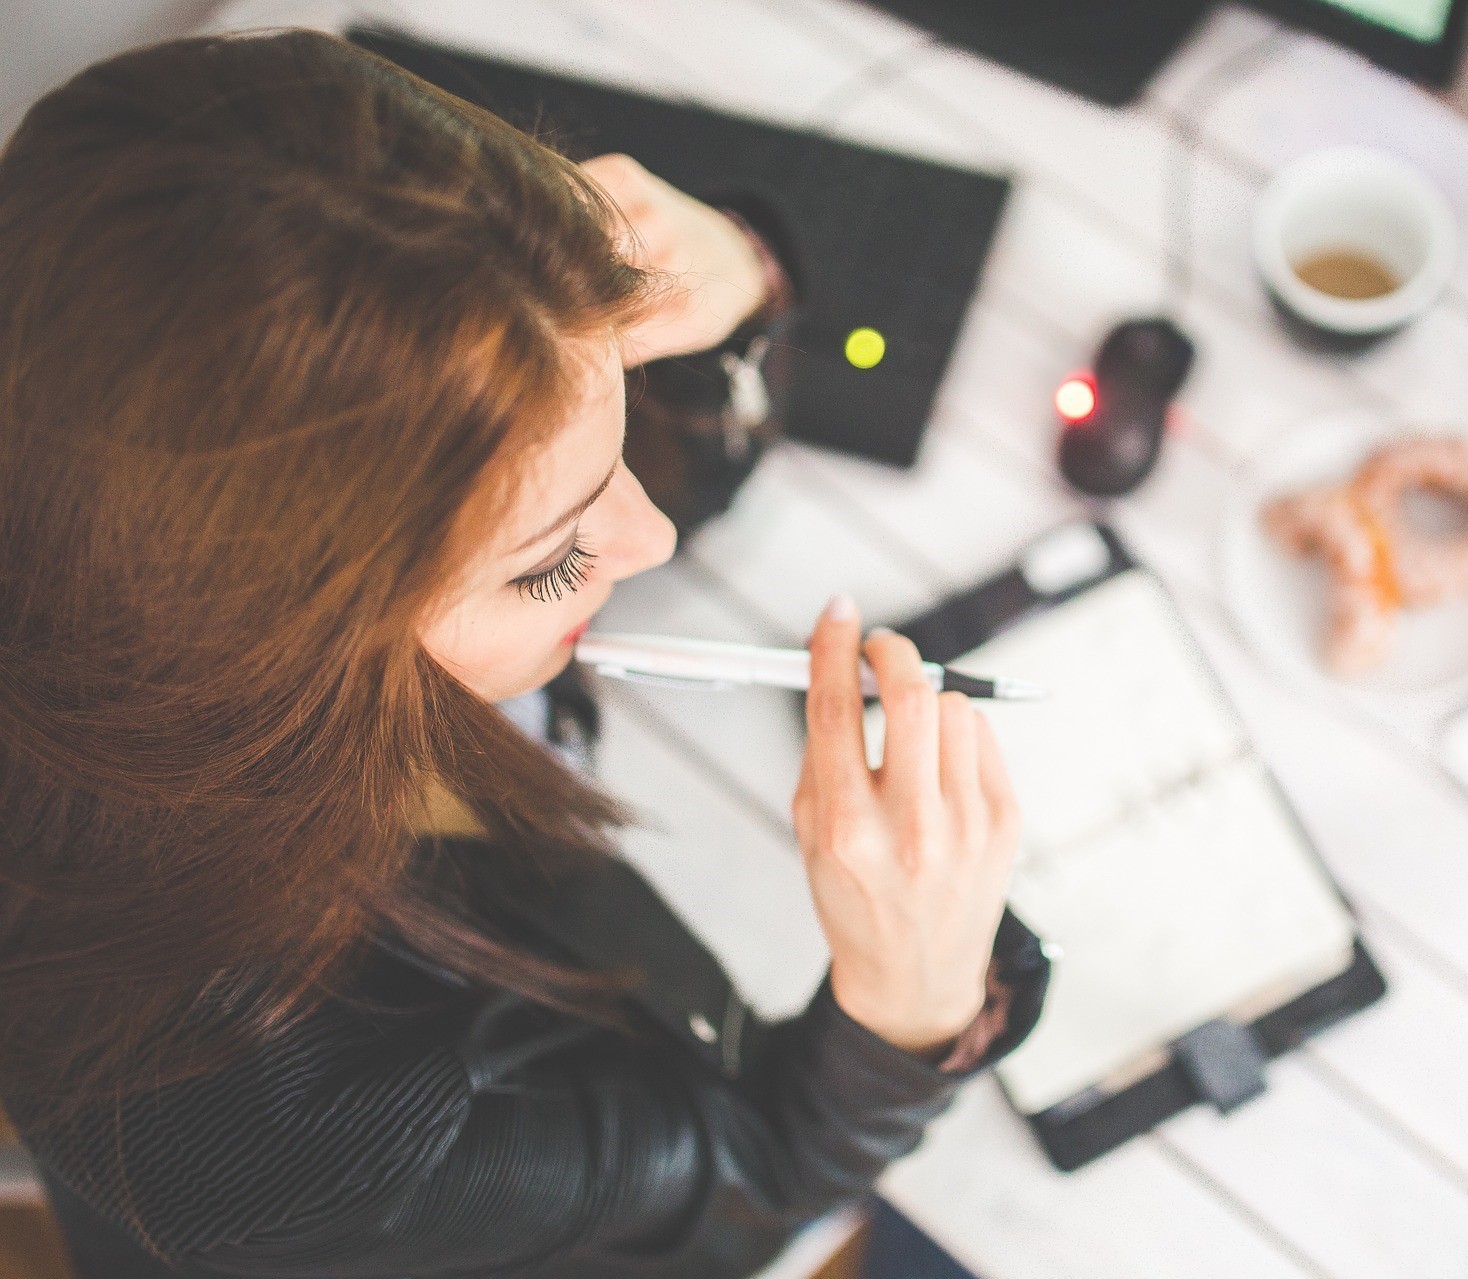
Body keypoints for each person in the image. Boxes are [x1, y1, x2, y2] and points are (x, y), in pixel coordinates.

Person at [0, 30, 1047, 1279]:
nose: (648, 539)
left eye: (619, 392)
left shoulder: (143, 461)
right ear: (285, 647)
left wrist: (739, 270)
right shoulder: (285, 1114)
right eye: (549, 562)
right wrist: (908, 1004)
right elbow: (752, 1184)